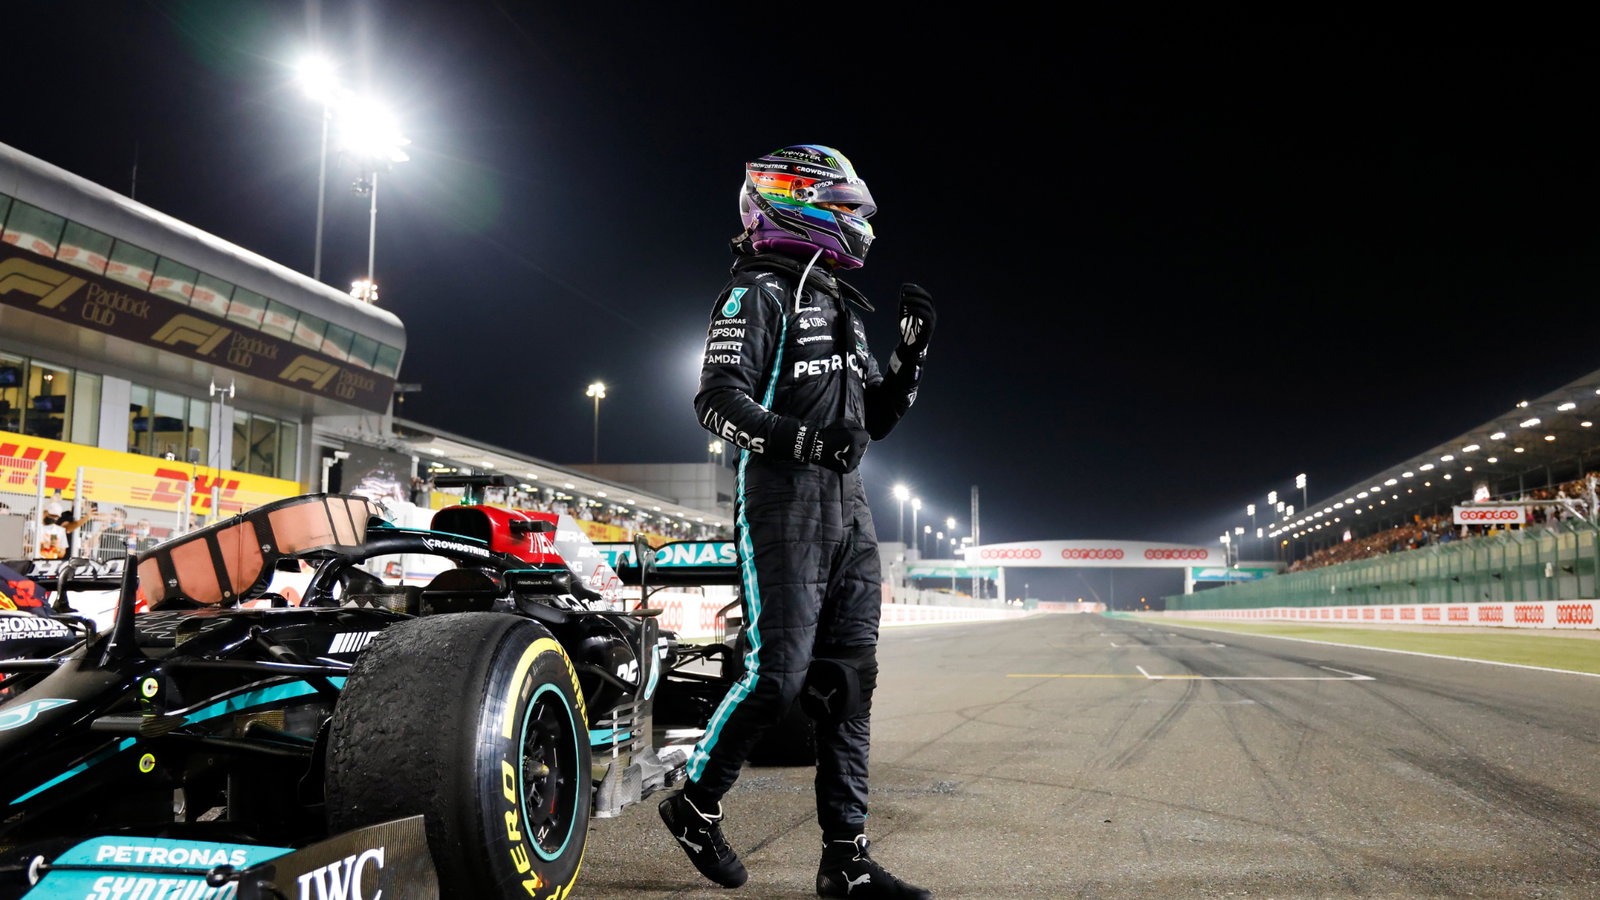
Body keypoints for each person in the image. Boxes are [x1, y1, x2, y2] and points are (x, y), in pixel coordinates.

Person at [660, 144, 935, 899]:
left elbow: (872, 421)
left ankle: (845, 861)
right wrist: (807, 441)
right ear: (797, 200)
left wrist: (909, 363)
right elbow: (716, 401)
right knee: (775, 677)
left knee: (849, 685)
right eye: (846, 208)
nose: (857, 225)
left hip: (850, 511)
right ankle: (694, 801)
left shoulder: (842, 307)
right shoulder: (754, 294)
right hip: (781, 503)